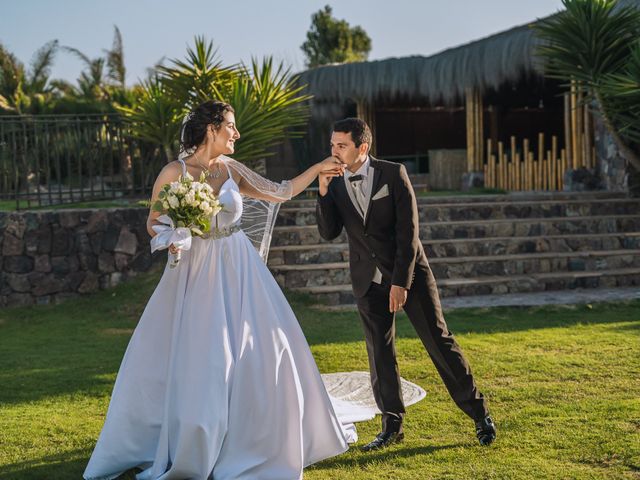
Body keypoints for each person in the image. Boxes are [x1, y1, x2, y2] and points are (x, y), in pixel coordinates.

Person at [84, 100, 351, 480]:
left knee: (262, 351)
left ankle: (255, 436)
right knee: (204, 356)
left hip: (240, 269)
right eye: (231, 125)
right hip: (195, 272)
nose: (236, 133)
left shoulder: (231, 169)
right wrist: (173, 237)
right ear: (211, 128)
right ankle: (196, 437)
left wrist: (317, 168)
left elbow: (281, 191)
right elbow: (153, 221)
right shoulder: (173, 172)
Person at [315, 117, 496, 451]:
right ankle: (391, 427)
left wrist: (401, 282)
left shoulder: (393, 173)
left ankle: (479, 414)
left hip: (408, 272)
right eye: (332, 144)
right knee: (380, 354)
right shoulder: (335, 182)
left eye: (341, 145)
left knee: (438, 341)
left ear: (362, 147)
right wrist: (324, 190)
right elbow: (328, 232)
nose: (334, 151)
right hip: (366, 280)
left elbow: (408, 233)